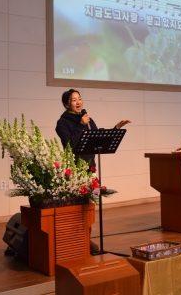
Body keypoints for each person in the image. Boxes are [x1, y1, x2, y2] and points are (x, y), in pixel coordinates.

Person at [55, 89, 130, 253]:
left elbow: (99, 138)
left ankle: (85, 239)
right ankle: (76, 240)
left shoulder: (88, 119)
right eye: (74, 100)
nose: (78, 102)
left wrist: (116, 128)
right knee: (76, 207)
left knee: (89, 207)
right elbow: (70, 146)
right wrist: (81, 125)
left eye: (79, 98)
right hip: (74, 170)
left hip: (90, 168)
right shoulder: (62, 123)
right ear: (66, 104)